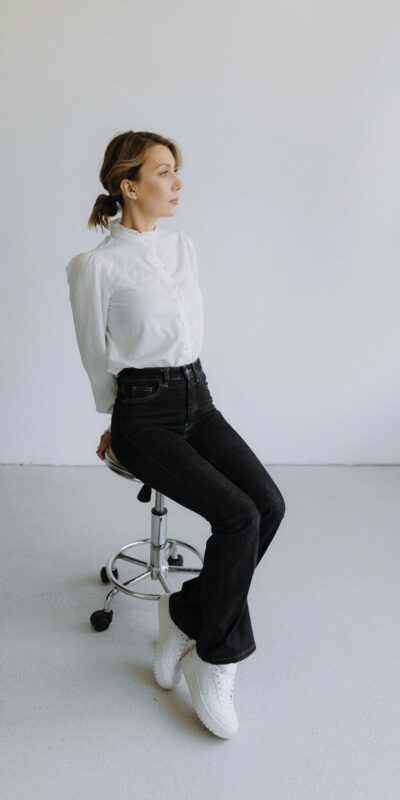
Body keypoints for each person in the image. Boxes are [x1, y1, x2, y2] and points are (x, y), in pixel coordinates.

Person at [66, 130, 286, 739]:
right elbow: (94, 353)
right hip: (142, 413)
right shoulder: (94, 266)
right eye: (163, 172)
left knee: (268, 505)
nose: (177, 183)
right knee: (238, 516)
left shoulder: (183, 247)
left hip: (199, 399)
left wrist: (194, 400)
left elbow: (186, 339)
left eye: (176, 170)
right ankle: (215, 660)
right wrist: (114, 424)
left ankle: (184, 613)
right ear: (128, 186)